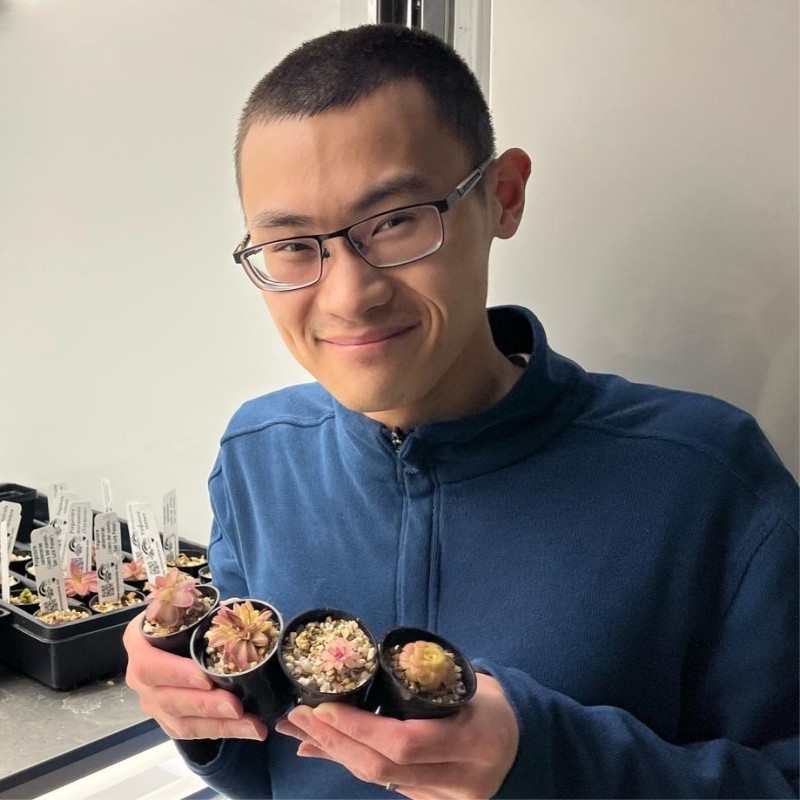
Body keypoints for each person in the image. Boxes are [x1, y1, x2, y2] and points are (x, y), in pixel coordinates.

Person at [123, 23, 799, 799]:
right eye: (293, 245)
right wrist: (196, 709)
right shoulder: (257, 452)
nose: (349, 296)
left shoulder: (709, 478)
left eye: (398, 220)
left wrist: (545, 758)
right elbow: (267, 765)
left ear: (502, 197)